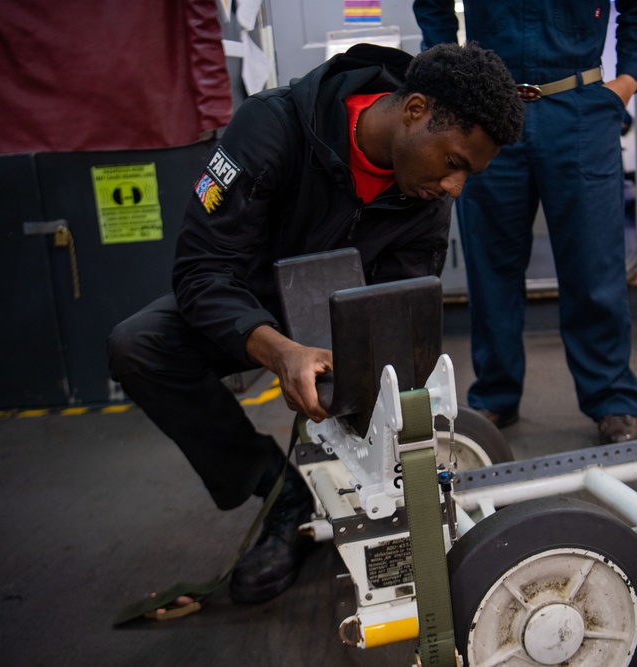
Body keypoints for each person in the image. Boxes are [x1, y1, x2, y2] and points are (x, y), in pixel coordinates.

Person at [107, 42, 524, 606]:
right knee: (139, 345)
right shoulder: (272, 127)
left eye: (468, 174)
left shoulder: (425, 193)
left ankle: (358, 489)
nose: (455, 187)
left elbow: (397, 311)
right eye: (453, 163)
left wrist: (379, 411)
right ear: (414, 110)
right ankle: (280, 493)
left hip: (340, 319)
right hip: (247, 304)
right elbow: (201, 271)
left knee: (386, 386)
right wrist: (279, 350)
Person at [413, 1, 637, 444]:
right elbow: (432, 5)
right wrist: (448, 83)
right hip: (487, 110)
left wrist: (627, 80)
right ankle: (496, 393)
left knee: (594, 266)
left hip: (580, 107)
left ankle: (612, 397)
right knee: (490, 268)